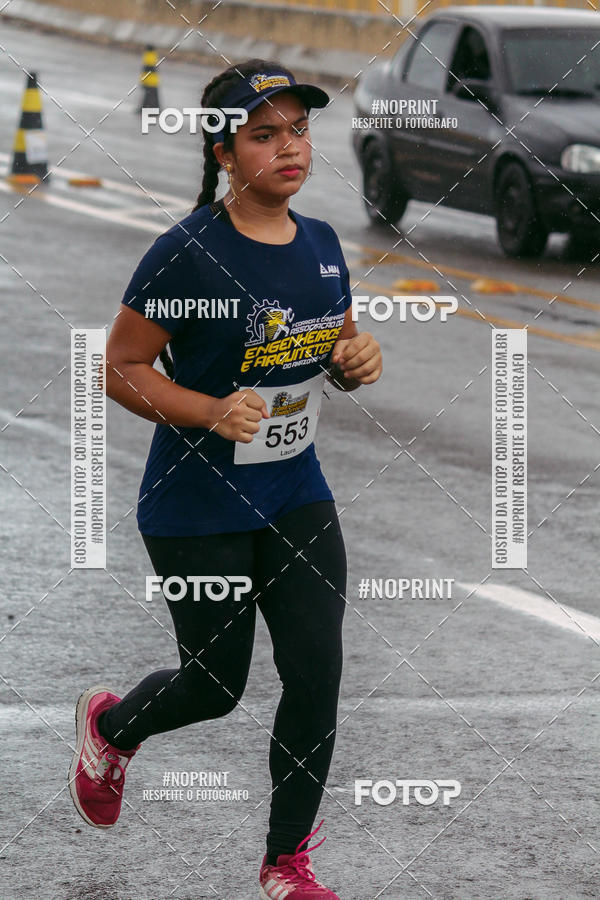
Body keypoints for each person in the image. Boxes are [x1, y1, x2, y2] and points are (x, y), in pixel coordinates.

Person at [68, 59, 382, 899]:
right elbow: (121, 368)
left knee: (317, 673)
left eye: (299, 130)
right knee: (216, 686)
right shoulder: (186, 255)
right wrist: (208, 411)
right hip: (196, 504)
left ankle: (286, 865)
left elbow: (333, 349)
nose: (290, 148)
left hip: (295, 492)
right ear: (222, 151)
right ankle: (111, 725)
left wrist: (357, 359)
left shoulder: (321, 246)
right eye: (264, 134)